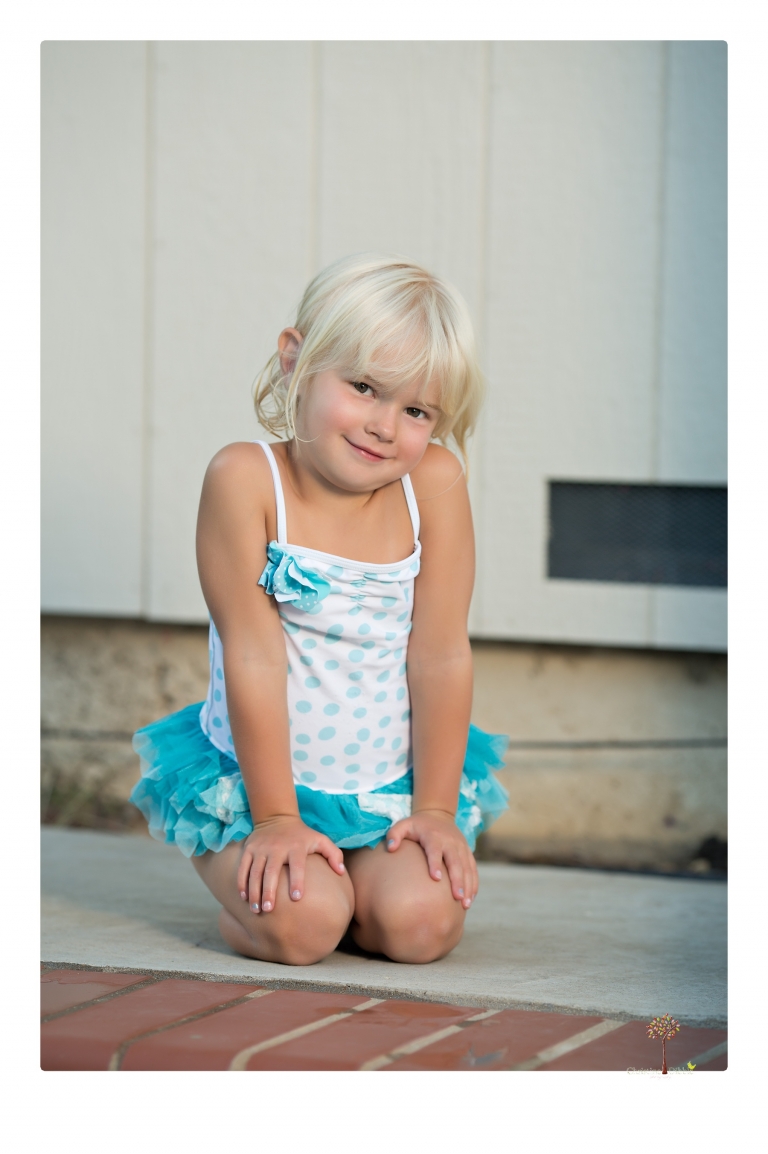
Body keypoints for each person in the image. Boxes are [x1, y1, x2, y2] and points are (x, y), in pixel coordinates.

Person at [131, 253, 508, 967]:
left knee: (419, 928)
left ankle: (362, 889)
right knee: (303, 928)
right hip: (258, 787)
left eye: (416, 409)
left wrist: (433, 812)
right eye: (364, 387)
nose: (384, 425)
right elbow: (252, 652)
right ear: (295, 360)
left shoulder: (433, 484)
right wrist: (273, 819)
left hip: (382, 783)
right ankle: (278, 906)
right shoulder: (247, 479)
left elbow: (440, 652)